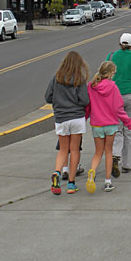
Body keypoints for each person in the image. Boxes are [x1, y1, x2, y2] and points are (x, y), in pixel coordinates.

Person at [45, 51, 90, 195]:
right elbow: (84, 100)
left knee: (63, 149)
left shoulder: (56, 78)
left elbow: (48, 97)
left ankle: (57, 173)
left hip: (61, 118)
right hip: (77, 117)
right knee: (75, 149)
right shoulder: (80, 79)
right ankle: (71, 184)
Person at [86, 61, 131, 193]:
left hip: (96, 123)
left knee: (97, 152)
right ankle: (107, 182)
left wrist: (85, 117)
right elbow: (119, 109)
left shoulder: (91, 85)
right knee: (108, 152)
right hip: (110, 124)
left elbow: (87, 106)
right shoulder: (113, 87)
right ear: (111, 73)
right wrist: (128, 123)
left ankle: (92, 172)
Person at [107, 33, 131, 176]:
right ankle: (127, 164)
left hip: (114, 96)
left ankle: (115, 155)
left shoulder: (111, 57)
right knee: (129, 129)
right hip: (130, 96)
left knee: (117, 128)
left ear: (119, 43)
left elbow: (104, 75)